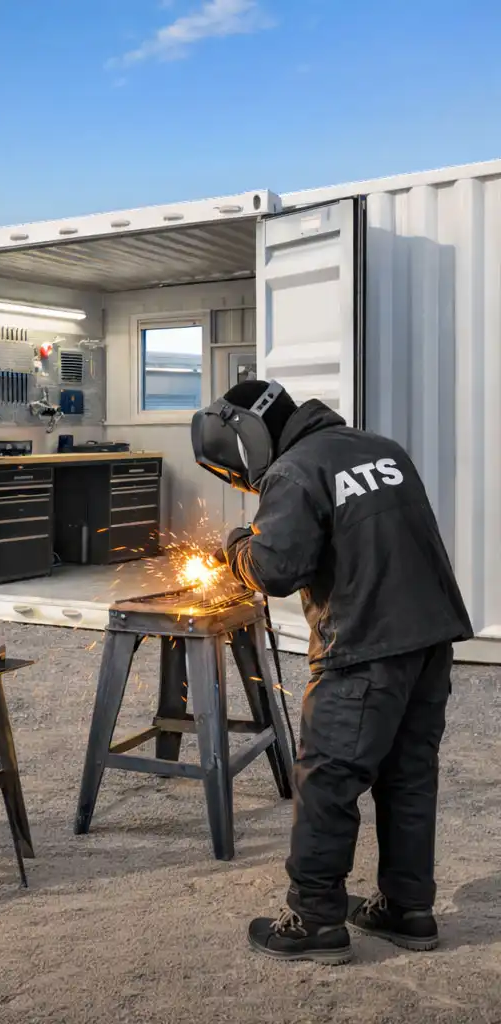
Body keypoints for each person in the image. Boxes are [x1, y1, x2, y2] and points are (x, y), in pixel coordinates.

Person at [191, 380, 472, 965]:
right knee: (408, 774)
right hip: (430, 638)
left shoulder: (294, 472)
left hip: (364, 646)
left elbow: (276, 569)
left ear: (248, 433)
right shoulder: (380, 448)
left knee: (327, 779)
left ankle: (315, 919)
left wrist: (236, 545)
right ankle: (408, 908)